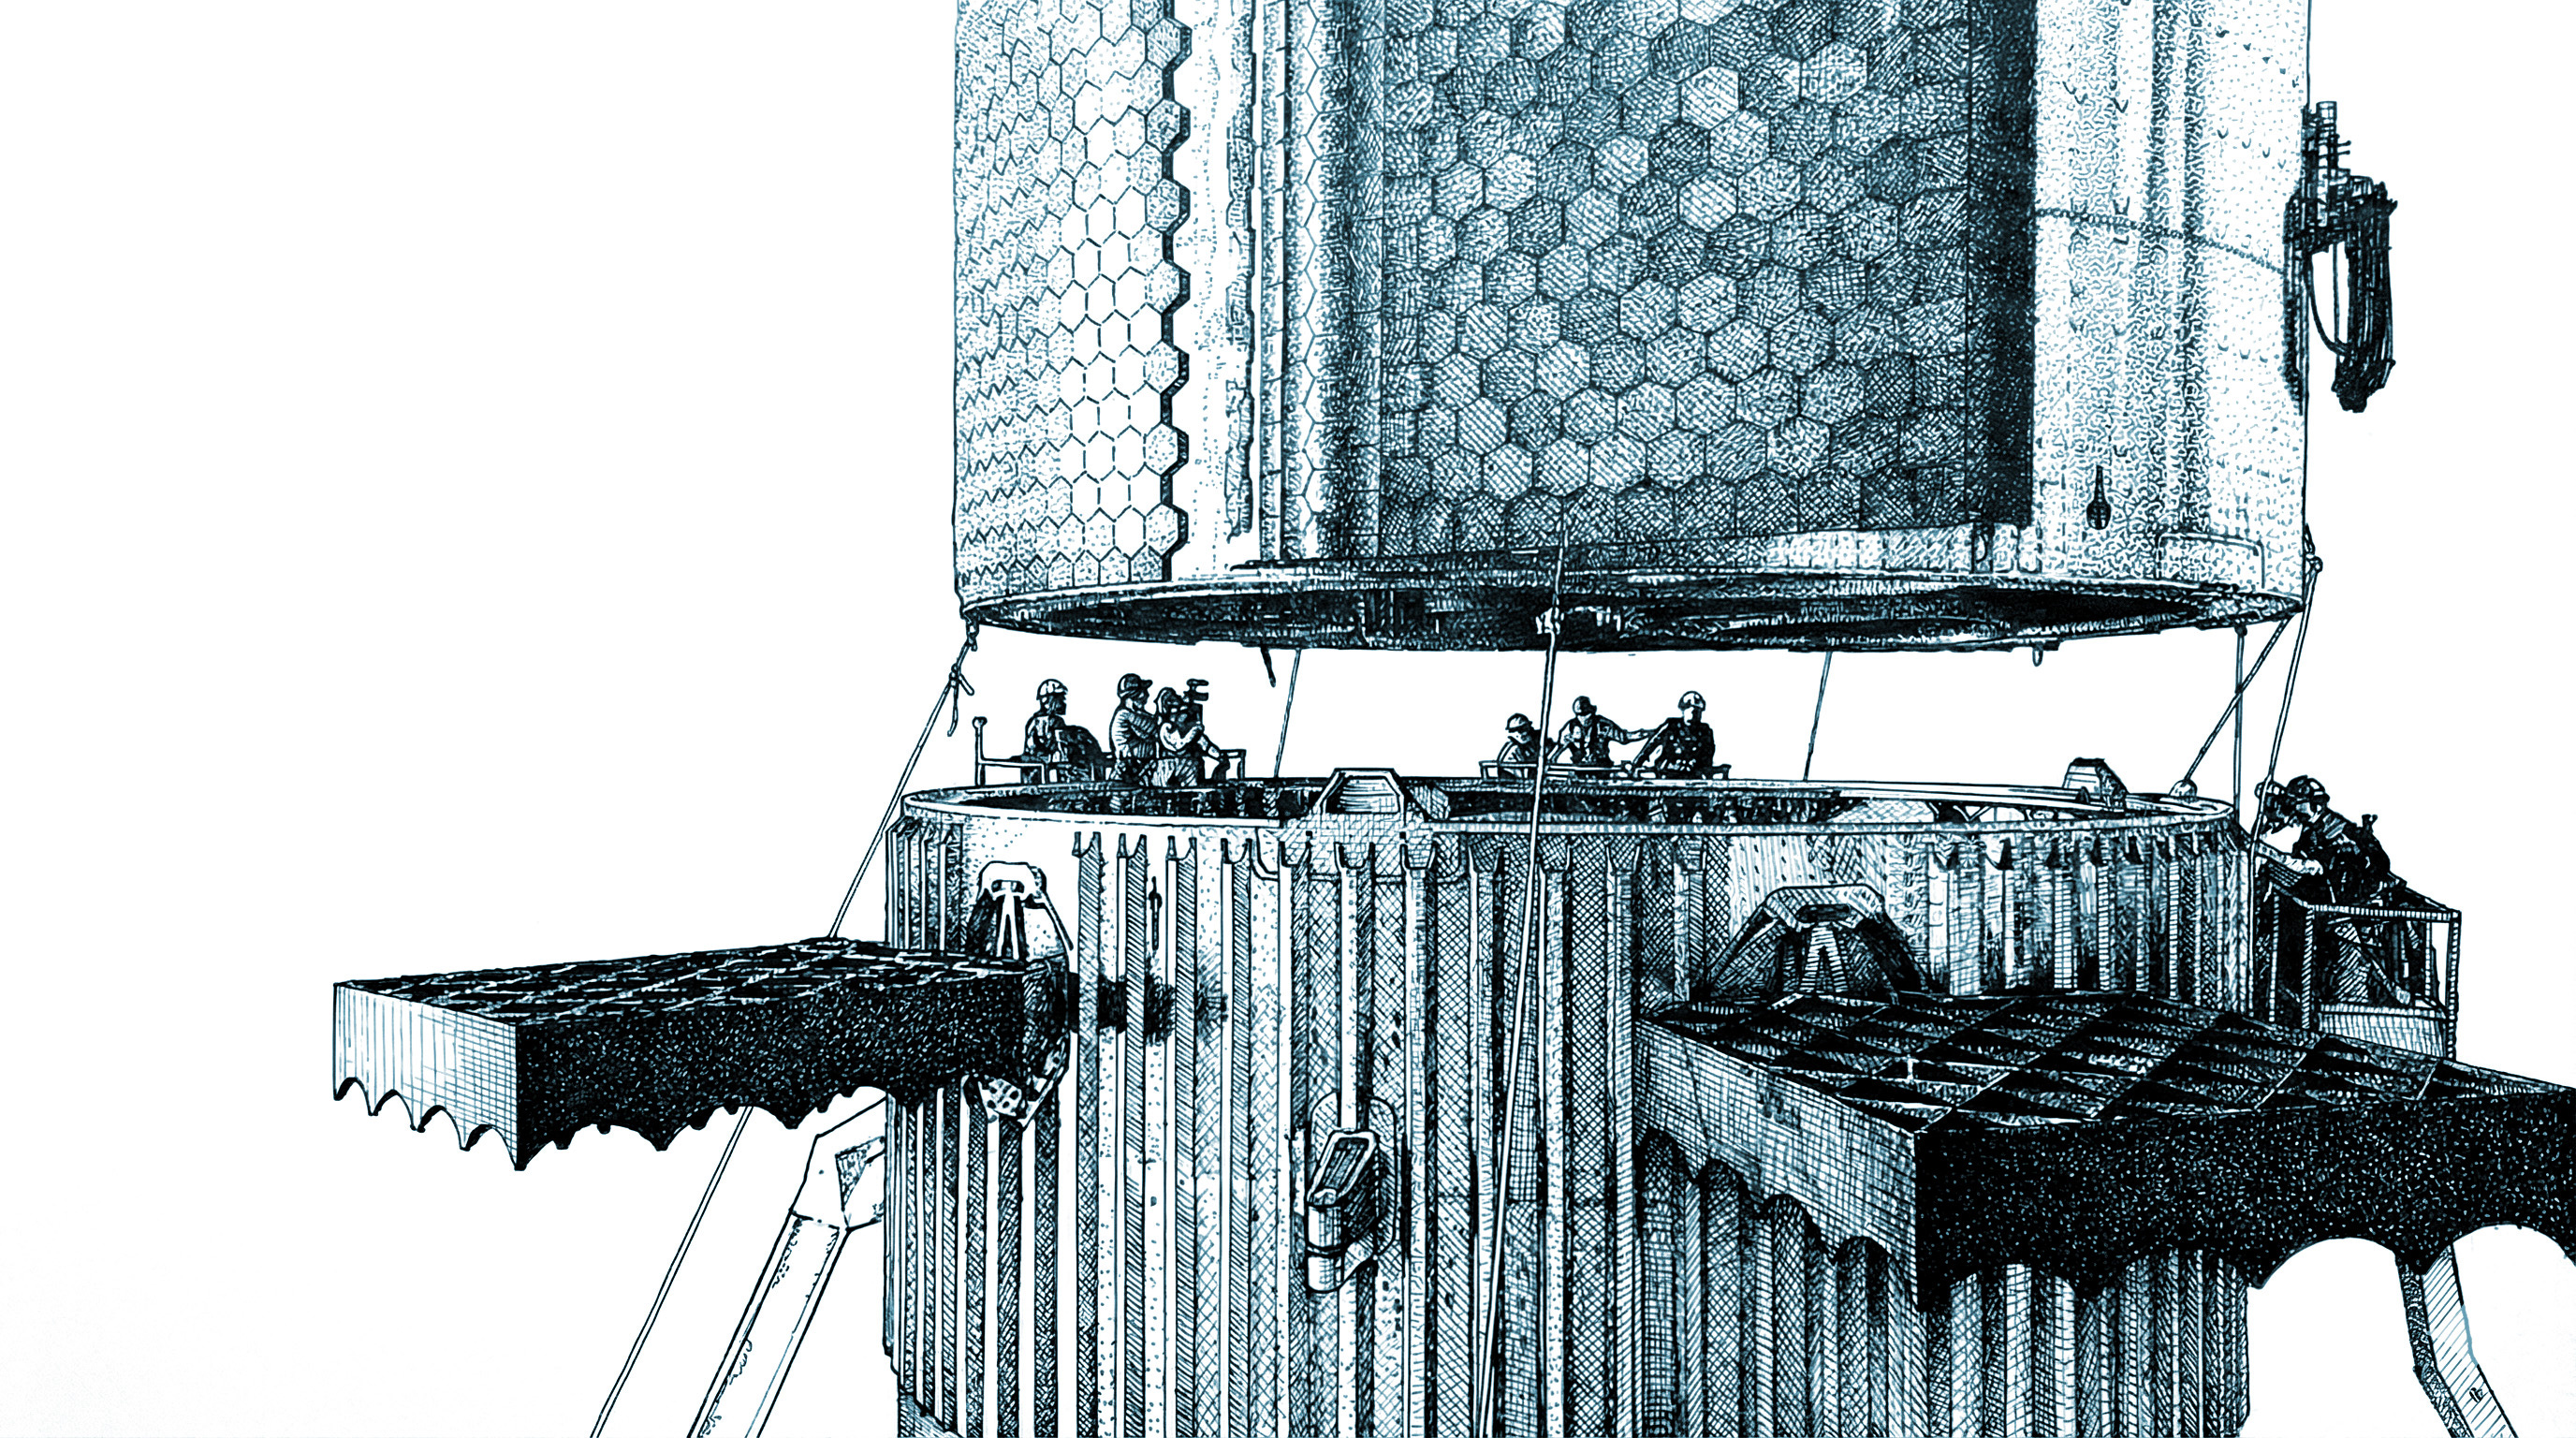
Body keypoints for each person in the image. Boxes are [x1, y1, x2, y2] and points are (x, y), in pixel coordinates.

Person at [1018, 679, 1103, 782]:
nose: (1063, 702)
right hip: (1037, 774)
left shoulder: (1040, 721)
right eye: (1061, 698)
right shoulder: (1048, 722)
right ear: (1050, 700)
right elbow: (1055, 752)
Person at [1631, 690, 1720, 778]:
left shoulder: (1705, 731)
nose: (1695, 714)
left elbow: (1708, 755)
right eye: (1693, 711)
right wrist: (1636, 765)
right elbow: (1650, 746)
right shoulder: (1671, 726)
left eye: (1698, 711)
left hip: (1693, 774)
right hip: (1668, 773)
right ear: (1684, 710)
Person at [1550, 696, 1642, 770]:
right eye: (1581, 716)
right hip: (1578, 770)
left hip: (1602, 770)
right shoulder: (1570, 728)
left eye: (1587, 715)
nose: (1584, 719)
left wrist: (1645, 734)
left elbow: (1624, 737)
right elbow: (1557, 750)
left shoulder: (1604, 725)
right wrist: (1550, 762)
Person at [1149, 685, 1216, 786]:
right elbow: (1178, 745)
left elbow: (1205, 744)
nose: (1184, 716)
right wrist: (1193, 732)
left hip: (1188, 767)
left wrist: (1219, 757)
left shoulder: (1190, 729)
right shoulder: (1166, 727)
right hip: (1167, 767)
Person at [1108, 672, 1159, 784]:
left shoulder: (1135, 713)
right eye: (1143, 691)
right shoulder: (1125, 714)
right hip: (1129, 773)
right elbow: (1156, 730)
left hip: (1140, 770)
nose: (1147, 696)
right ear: (1134, 695)